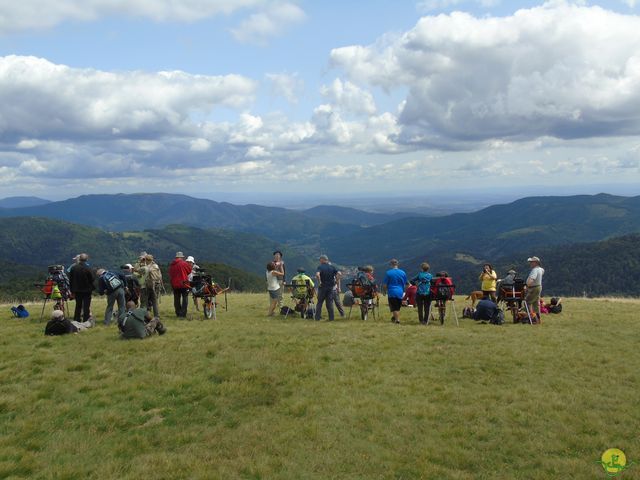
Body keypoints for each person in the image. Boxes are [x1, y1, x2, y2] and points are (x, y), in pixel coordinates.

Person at [68, 253, 95, 323]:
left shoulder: (74, 268)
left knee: (78, 306)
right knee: (86, 306)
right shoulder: (88, 268)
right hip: (87, 290)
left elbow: (70, 280)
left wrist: (72, 290)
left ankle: (76, 320)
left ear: (79, 259)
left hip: (77, 290)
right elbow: (92, 279)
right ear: (87, 259)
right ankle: (86, 320)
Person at [314, 255, 341, 321]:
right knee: (329, 303)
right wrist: (336, 280)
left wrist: (320, 281)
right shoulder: (332, 267)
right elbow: (339, 273)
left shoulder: (320, 267)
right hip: (331, 288)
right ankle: (331, 318)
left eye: (320, 260)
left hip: (322, 287)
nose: (319, 261)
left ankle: (317, 318)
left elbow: (317, 274)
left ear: (322, 260)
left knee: (319, 303)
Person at [383, 259, 407, 324]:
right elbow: (405, 283)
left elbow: (385, 284)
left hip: (392, 291)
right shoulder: (403, 272)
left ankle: (397, 320)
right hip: (400, 292)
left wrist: (384, 291)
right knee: (397, 307)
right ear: (398, 264)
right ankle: (394, 317)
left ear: (391, 264)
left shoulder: (388, 273)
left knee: (394, 307)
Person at [169, 251, 192, 318]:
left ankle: (178, 313)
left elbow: (170, 274)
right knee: (185, 298)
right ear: (181, 257)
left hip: (174, 284)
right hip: (183, 283)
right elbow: (189, 271)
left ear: (176, 257)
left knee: (176, 299)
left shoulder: (172, 264)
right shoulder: (183, 263)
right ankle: (183, 314)